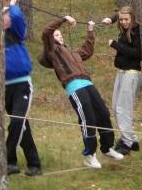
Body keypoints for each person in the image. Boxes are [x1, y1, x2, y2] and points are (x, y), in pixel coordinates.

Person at [39, 15, 121, 169]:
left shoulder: (72, 53)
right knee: (87, 118)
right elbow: (46, 33)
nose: (60, 37)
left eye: (61, 35)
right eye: (57, 35)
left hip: (88, 83)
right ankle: (90, 155)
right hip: (74, 86)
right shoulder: (52, 51)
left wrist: (90, 31)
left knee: (103, 113)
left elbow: (87, 51)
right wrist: (63, 19)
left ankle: (107, 147)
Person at [3, 0, 42, 177]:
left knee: (17, 122)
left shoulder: (17, 33)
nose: (5, 17)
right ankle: (34, 164)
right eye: (4, 15)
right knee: (22, 126)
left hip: (22, 86)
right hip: (4, 88)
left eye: (7, 15)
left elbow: (17, 18)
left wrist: (12, 5)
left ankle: (7, 160)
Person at [102, 6, 142, 157]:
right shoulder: (124, 30)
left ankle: (127, 142)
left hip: (132, 74)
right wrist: (111, 19)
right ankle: (132, 139)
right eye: (121, 19)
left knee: (122, 108)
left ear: (132, 19)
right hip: (121, 72)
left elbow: (137, 54)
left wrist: (115, 45)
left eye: (127, 19)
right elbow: (120, 12)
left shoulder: (137, 31)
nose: (124, 22)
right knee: (115, 106)